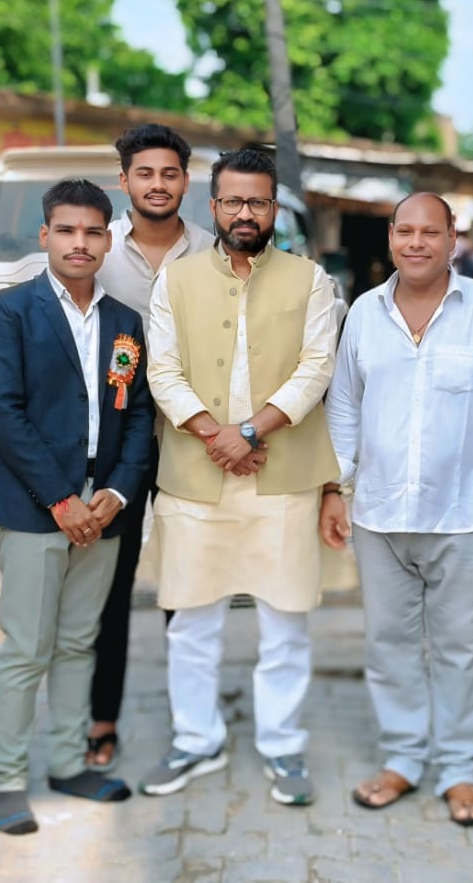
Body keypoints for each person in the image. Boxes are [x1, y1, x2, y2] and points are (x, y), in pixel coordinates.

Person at [138, 148, 339, 807]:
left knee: (285, 624)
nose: (244, 212)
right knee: (191, 623)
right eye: (233, 201)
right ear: (214, 206)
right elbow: (162, 371)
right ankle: (197, 739)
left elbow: (317, 367)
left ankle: (282, 744)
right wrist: (215, 436)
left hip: (284, 478)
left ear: (274, 208)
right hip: (197, 480)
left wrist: (249, 432)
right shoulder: (175, 280)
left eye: (257, 201)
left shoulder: (311, 280)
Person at [0, 179, 155, 833]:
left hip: (104, 506)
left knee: (80, 642)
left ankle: (69, 763)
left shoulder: (124, 322)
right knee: (27, 647)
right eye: (67, 230)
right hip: (35, 505)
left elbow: (139, 416)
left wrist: (117, 492)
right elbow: (3, 411)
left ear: (108, 240)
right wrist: (59, 498)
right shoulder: (10, 310)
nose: (80, 243)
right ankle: (6, 780)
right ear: (45, 236)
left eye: (92, 232)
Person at [321, 192, 473, 827]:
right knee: (389, 644)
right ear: (392, 238)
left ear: (454, 237)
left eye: (431, 231)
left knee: (461, 649)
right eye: (406, 231)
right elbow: (344, 407)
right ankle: (402, 757)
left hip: (463, 513)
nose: (417, 243)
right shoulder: (364, 313)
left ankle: (459, 769)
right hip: (379, 514)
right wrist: (334, 489)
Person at [86, 123, 216, 773]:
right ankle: (101, 718)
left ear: (186, 182)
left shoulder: (215, 253)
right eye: (145, 173)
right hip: (117, 450)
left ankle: (192, 724)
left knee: (187, 589)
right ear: (125, 181)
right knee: (108, 589)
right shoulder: (99, 252)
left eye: (169, 174)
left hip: (193, 445)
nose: (157, 185)